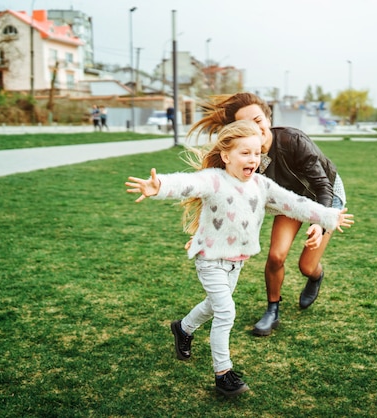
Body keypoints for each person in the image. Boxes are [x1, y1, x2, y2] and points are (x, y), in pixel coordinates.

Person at [125, 120, 354, 397]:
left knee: (212, 306)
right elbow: (187, 183)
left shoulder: (261, 185)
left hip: (237, 262)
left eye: (257, 153)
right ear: (226, 156)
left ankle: (183, 328)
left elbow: (295, 203)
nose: (253, 159)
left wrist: (328, 216)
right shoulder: (213, 180)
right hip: (210, 261)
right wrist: (159, 185)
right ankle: (223, 374)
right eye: (245, 153)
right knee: (226, 311)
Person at [188, 92, 347, 337]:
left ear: (267, 118)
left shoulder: (292, 140)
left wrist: (321, 221)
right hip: (290, 202)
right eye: (247, 124)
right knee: (275, 256)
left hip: (323, 196)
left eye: (259, 120)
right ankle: (272, 310)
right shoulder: (243, 156)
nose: (256, 128)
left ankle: (315, 275)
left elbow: (322, 185)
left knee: (306, 266)